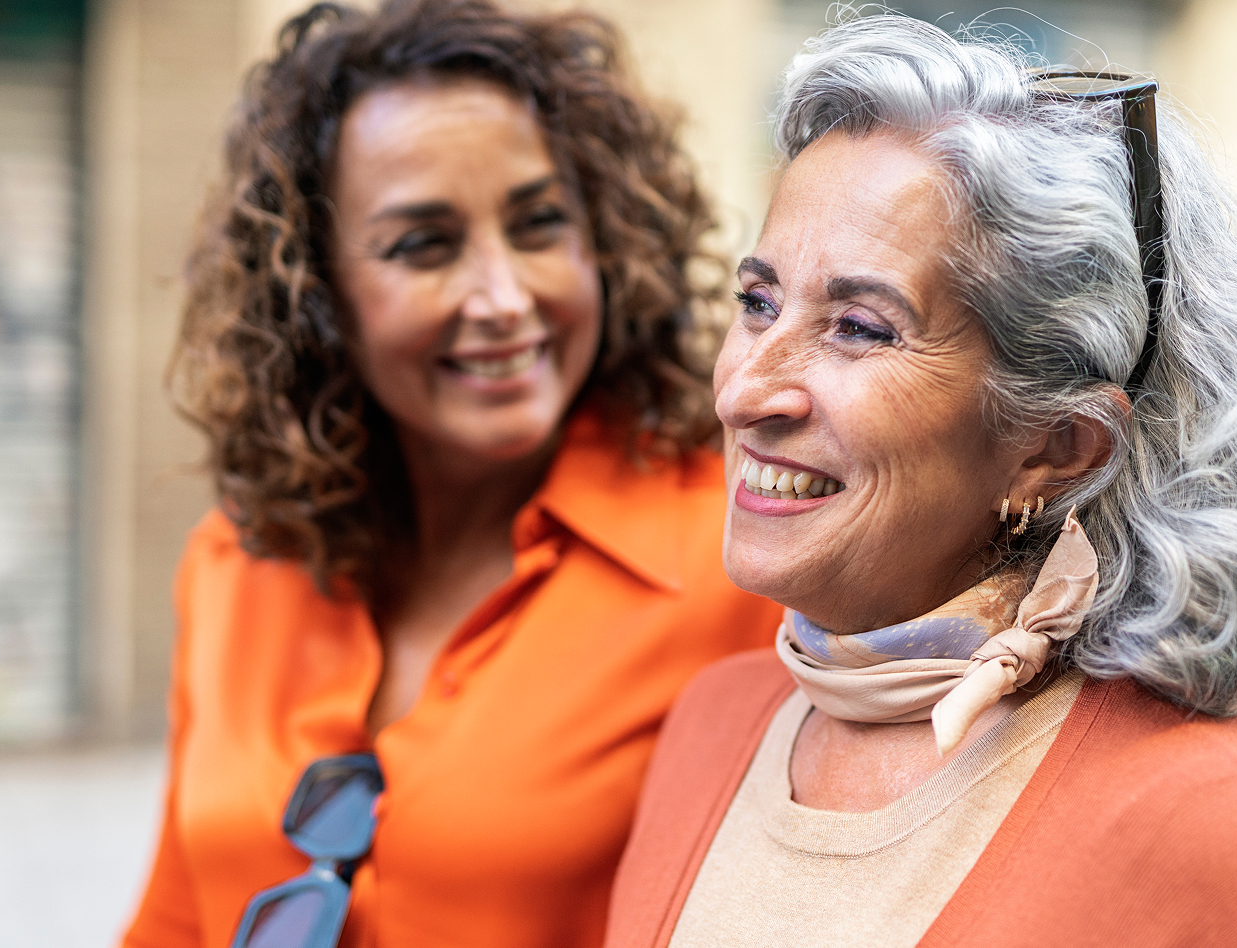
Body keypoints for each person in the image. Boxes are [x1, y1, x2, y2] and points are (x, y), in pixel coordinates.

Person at [605, 14, 1237, 948]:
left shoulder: (1205, 808)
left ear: (1058, 446)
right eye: (758, 303)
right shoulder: (710, 729)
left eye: (859, 326)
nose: (744, 389)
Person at [120, 2, 782, 946]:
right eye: (424, 245)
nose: (505, 299)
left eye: (539, 225)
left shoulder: (740, 557)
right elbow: (176, 916)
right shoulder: (235, 557)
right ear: (318, 296)